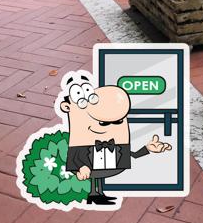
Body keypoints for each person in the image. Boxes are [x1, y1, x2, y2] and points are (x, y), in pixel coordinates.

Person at [60, 74, 171, 205]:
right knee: (95, 175)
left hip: (105, 165)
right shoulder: (80, 143)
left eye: (118, 121)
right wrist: (80, 167)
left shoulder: (116, 143)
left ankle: (97, 194)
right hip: (89, 166)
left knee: (98, 176)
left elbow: (132, 155)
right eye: (103, 123)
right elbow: (75, 157)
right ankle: (94, 194)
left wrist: (147, 149)